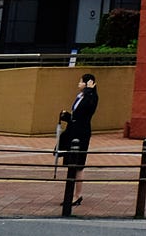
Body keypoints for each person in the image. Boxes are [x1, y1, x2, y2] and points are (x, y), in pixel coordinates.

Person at [59, 72, 98, 206]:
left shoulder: (91, 96)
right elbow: (77, 114)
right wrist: (68, 116)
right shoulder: (80, 95)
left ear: (88, 83)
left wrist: (89, 90)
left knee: (78, 164)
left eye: (81, 82)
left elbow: (87, 109)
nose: (79, 84)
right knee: (71, 162)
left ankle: (77, 195)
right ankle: (70, 194)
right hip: (73, 131)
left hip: (82, 132)